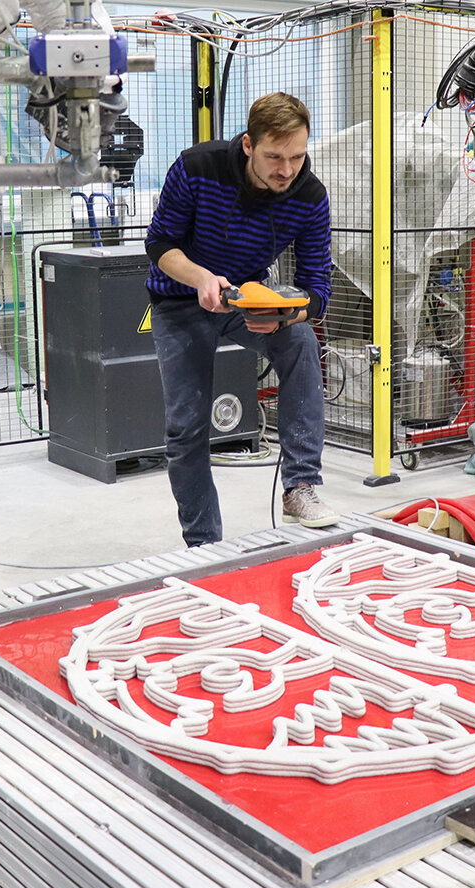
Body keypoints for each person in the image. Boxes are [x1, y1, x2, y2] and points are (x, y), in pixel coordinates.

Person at [144, 92, 337, 547]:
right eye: (274, 156)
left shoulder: (309, 197)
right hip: (179, 302)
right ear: (249, 145)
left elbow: (318, 291)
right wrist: (202, 279)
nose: (286, 170)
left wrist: (285, 316)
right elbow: (159, 245)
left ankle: (300, 486)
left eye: (296, 156)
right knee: (186, 427)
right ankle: (204, 545)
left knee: (302, 341)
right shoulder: (197, 168)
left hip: (245, 303)